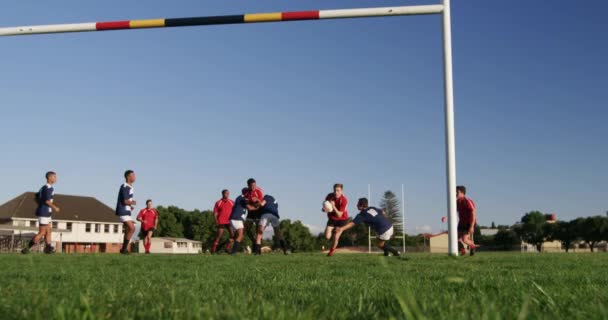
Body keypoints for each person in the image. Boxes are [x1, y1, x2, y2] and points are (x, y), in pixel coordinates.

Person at [334, 198, 400, 257]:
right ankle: (386, 254)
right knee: (379, 240)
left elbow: (352, 223)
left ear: (361, 206)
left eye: (358, 204)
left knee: (380, 244)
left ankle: (396, 252)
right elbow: (383, 212)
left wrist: (341, 228)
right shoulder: (372, 208)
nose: (356, 205)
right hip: (389, 225)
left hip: (384, 229)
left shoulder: (362, 214)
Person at [22, 171, 60, 254]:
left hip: (46, 212)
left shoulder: (43, 187)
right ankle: (26, 248)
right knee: (42, 232)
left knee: (49, 231)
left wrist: (40, 204)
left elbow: (36, 197)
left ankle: (48, 248)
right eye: (54, 177)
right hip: (44, 213)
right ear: (49, 178)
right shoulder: (49, 188)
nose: (56, 178)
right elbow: (47, 201)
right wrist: (55, 207)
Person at [322, 183, 348, 256]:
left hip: (342, 220)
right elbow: (325, 207)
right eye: (335, 190)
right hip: (332, 218)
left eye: (338, 190)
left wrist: (333, 206)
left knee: (336, 237)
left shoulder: (344, 200)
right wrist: (325, 209)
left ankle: (331, 252)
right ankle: (333, 231)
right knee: (327, 237)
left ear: (341, 191)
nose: (336, 192)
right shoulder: (329, 196)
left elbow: (339, 214)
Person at [116, 170, 137, 255]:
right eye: (133, 175)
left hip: (126, 211)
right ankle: (124, 249)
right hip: (122, 211)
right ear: (128, 177)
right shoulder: (125, 186)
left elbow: (125, 201)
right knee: (132, 228)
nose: (135, 177)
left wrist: (130, 207)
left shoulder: (130, 187)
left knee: (128, 229)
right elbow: (125, 201)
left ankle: (123, 250)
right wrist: (132, 202)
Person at [456, 185, 478, 256]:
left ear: (463, 193)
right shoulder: (457, 202)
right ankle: (463, 251)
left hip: (469, 223)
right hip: (461, 223)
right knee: (455, 238)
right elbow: (452, 212)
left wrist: (471, 226)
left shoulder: (468, 201)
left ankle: (472, 246)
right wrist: (446, 217)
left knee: (464, 239)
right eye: (455, 192)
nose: (456, 193)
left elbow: (473, 213)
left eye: (457, 192)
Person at [212, 189, 235, 254]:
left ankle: (227, 248)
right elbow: (215, 213)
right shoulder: (218, 202)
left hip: (229, 221)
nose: (227, 195)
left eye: (228, 193)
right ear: (222, 194)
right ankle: (214, 249)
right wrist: (216, 221)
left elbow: (235, 210)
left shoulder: (232, 202)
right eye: (226, 193)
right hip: (221, 221)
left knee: (232, 235)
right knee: (219, 235)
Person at [244, 178, 264, 245]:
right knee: (247, 228)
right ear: (248, 185)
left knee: (258, 230)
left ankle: (258, 247)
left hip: (259, 212)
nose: (253, 187)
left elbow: (261, 203)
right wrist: (250, 207)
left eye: (254, 185)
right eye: (252, 185)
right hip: (250, 213)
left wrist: (257, 200)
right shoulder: (246, 193)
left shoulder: (259, 190)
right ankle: (254, 242)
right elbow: (247, 205)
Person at [229, 188, 249, 255]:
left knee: (236, 236)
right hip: (236, 218)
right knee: (240, 235)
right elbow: (249, 204)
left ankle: (226, 248)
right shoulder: (241, 198)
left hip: (237, 219)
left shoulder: (241, 198)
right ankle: (233, 252)